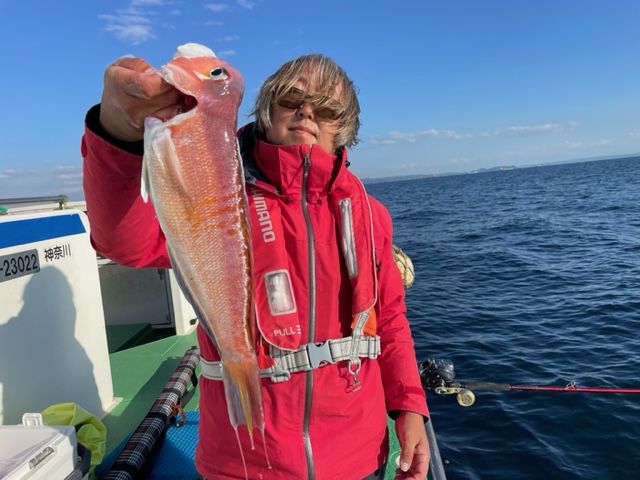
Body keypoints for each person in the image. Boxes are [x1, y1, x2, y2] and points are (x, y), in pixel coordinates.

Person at [82, 49, 430, 480]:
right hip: (243, 463)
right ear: (267, 108)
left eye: (327, 109)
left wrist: (409, 407)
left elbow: (390, 320)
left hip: (359, 457)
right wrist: (118, 130)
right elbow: (125, 244)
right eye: (291, 99)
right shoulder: (220, 190)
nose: (307, 112)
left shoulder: (369, 214)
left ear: (345, 128)